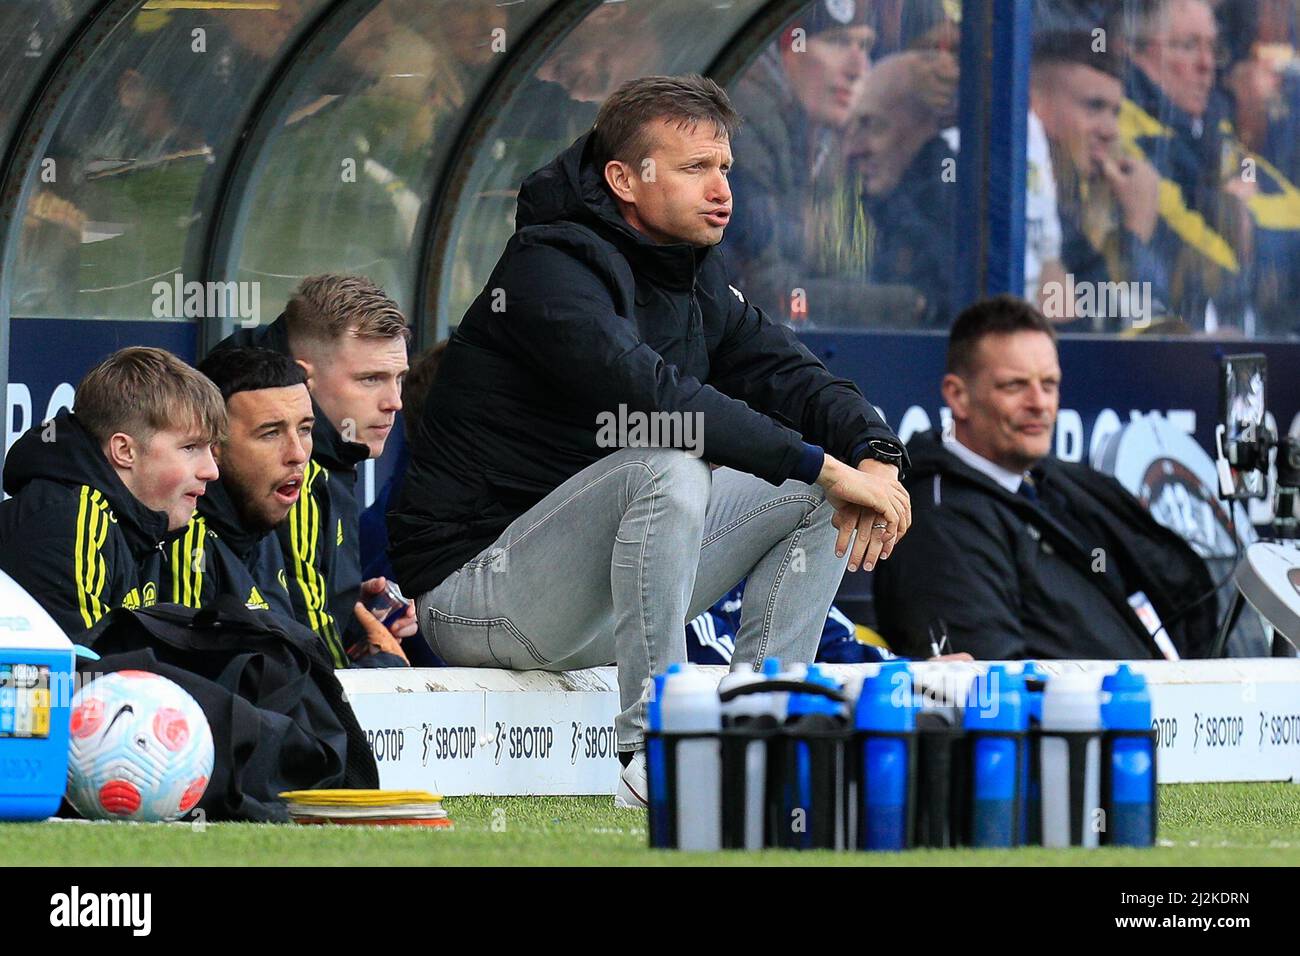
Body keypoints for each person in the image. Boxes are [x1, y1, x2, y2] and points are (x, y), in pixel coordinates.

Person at [389, 74, 912, 807]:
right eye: (695, 168)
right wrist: (823, 463)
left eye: (725, 167)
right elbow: (655, 396)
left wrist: (876, 458)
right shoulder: (546, 268)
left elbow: (796, 375)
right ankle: (656, 749)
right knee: (669, 461)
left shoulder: (694, 276)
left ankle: (756, 743)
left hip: (593, 599)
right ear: (623, 179)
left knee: (816, 497)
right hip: (479, 595)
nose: (721, 187)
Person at [872, 295, 1217, 661]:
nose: (1040, 403)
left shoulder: (1060, 486)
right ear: (958, 396)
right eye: (1015, 386)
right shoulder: (937, 522)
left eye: (1049, 384)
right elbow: (990, 693)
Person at [218, 274, 416, 668]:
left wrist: (345, 606)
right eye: (370, 379)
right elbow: (310, 677)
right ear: (304, 378)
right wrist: (385, 667)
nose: (394, 401)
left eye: (399, 378)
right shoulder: (295, 471)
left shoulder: (334, 453)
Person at [0, 347, 224, 638]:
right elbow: (85, 674)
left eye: (210, 448)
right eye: (190, 448)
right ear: (124, 450)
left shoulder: (147, 520)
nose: (212, 470)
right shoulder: (70, 521)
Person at [1030, 31, 1163, 330]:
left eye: (1114, 112)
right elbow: (1095, 340)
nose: (1110, 130)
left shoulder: (1074, 207)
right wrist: (1135, 234)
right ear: (1032, 103)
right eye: (1094, 107)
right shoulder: (1015, 203)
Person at [160, 347, 305, 620]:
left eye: (305, 429)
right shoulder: (187, 540)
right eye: (271, 433)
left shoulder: (260, 516)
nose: (297, 453)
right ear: (214, 445)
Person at [844, 51, 958, 326]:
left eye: (872, 125)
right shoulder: (881, 204)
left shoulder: (949, 216)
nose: (852, 149)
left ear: (922, 126)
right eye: (850, 128)